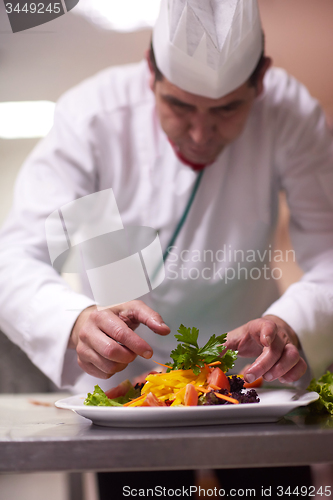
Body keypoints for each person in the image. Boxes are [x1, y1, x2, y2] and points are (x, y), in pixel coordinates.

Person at [1, 0, 333, 412]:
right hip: (123, 377)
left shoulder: (291, 115)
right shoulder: (92, 117)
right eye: (179, 105)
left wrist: (291, 324)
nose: (199, 133)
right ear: (150, 73)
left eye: (227, 108)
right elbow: (15, 255)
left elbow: (330, 255)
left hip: (251, 372)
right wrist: (75, 321)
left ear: (261, 80)